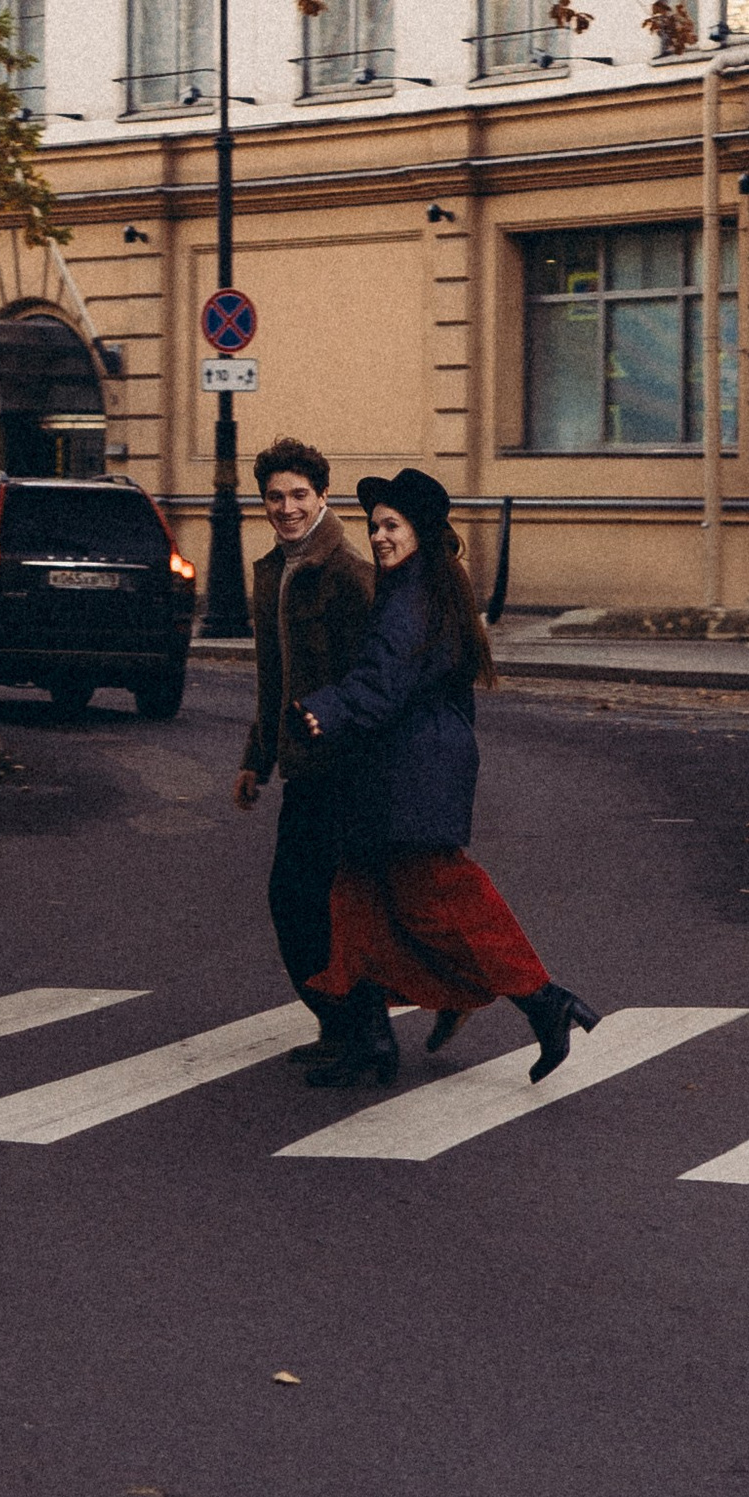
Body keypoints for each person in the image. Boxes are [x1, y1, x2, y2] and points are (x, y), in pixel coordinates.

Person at [296, 466, 598, 1091]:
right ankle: (374, 1041)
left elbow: (383, 682)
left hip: (412, 767)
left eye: (392, 526)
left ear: (422, 532)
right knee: (357, 898)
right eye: (376, 526)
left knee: (440, 897)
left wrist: (324, 711)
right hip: (403, 764)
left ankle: (544, 1001)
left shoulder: (413, 594)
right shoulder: (424, 583)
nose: (379, 537)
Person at [233, 437, 378, 1059]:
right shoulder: (273, 571)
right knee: (303, 900)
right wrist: (254, 759)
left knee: (318, 900)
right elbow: (273, 677)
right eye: (274, 497)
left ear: (323, 496)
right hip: (302, 768)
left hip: (345, 767)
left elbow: (373, 680)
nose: (286, 508)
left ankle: (358, 1032)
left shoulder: (348, 573)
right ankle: (340, 1024)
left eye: (298, 495)